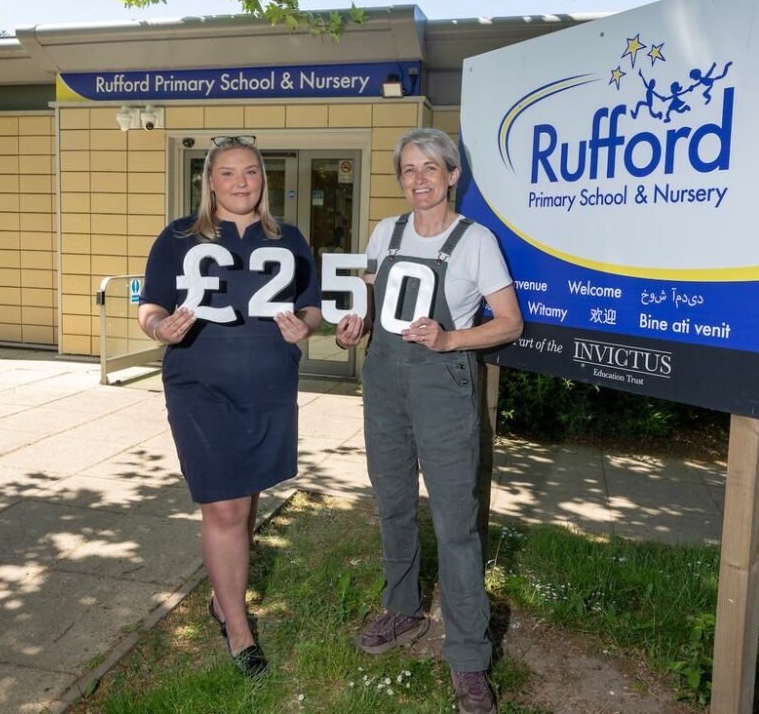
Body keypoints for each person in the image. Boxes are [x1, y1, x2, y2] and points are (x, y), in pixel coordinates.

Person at [335, 128, 522, 714]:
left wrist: (450, 338)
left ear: (451, 175)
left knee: (455, 522)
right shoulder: (384, 234)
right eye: (409, 170)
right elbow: (366, 303)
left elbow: (510, 323)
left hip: (444, 385)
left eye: (430, 168)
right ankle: (403, 607)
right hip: (385, 382)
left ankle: (468, 657)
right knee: (391, 500)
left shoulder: (476, 241)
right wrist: (353, 325)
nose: (419, 180)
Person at [137, 135, 322, 676]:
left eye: (251, 173)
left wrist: (301, 329)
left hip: (267, 383)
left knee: (248, 497)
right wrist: (158, 327)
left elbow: (310, 309)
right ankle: (238, 630)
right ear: (209, 181)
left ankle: (225, 596)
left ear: (264, 179)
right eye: (228, 173)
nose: (241, 183)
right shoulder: (177, 237)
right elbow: (149, 304)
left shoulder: (288, 238)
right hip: (200, 384)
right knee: (223, 506)